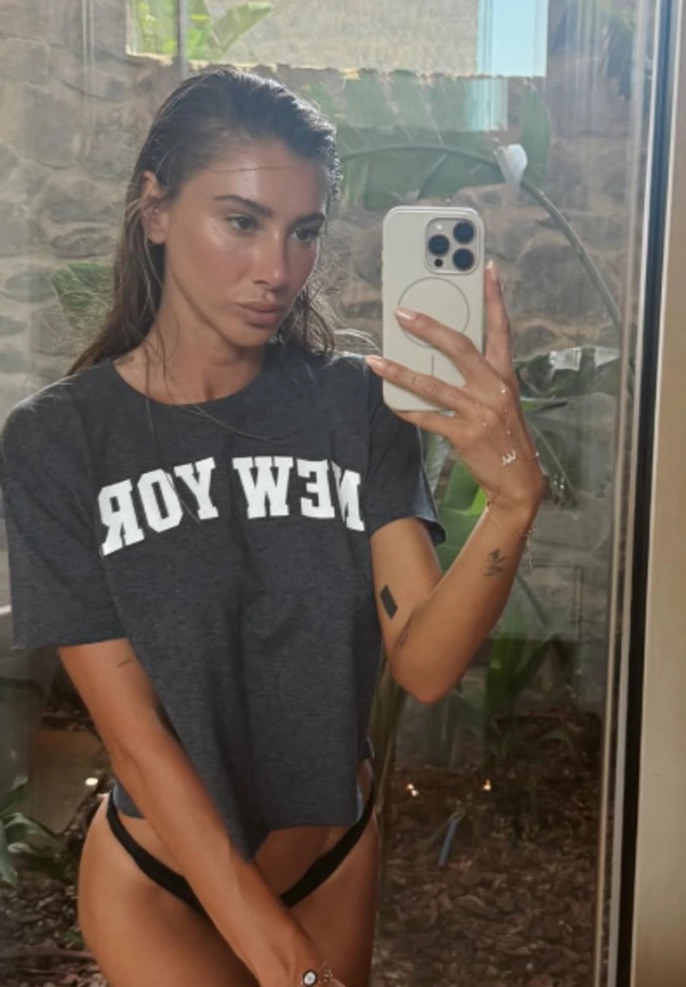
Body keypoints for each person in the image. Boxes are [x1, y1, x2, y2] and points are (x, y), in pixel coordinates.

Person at [0, 67, 543, 987]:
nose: (279, 270)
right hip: (164, 885)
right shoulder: (59, 443)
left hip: (331, 858)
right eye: (241, 221)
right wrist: (292, 967)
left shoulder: (356, 405)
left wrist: (513, 505)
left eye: (304, 231)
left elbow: (424, 663)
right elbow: (139, 744)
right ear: (155, 209)